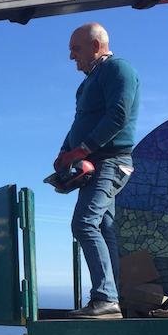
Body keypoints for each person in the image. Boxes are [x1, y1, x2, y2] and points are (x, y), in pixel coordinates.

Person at [53, 23, 139, 318]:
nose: (71, 57)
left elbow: (118, 114)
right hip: (95, 162)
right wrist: (65, 151)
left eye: (75, 49)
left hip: (110, 162)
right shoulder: (87, 82)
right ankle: (112, 298)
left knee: (84, 223)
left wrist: (83, 149)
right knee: (103, 227)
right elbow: (80, 122)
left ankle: (105, 297)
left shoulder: (118, 69)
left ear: (96, 45)